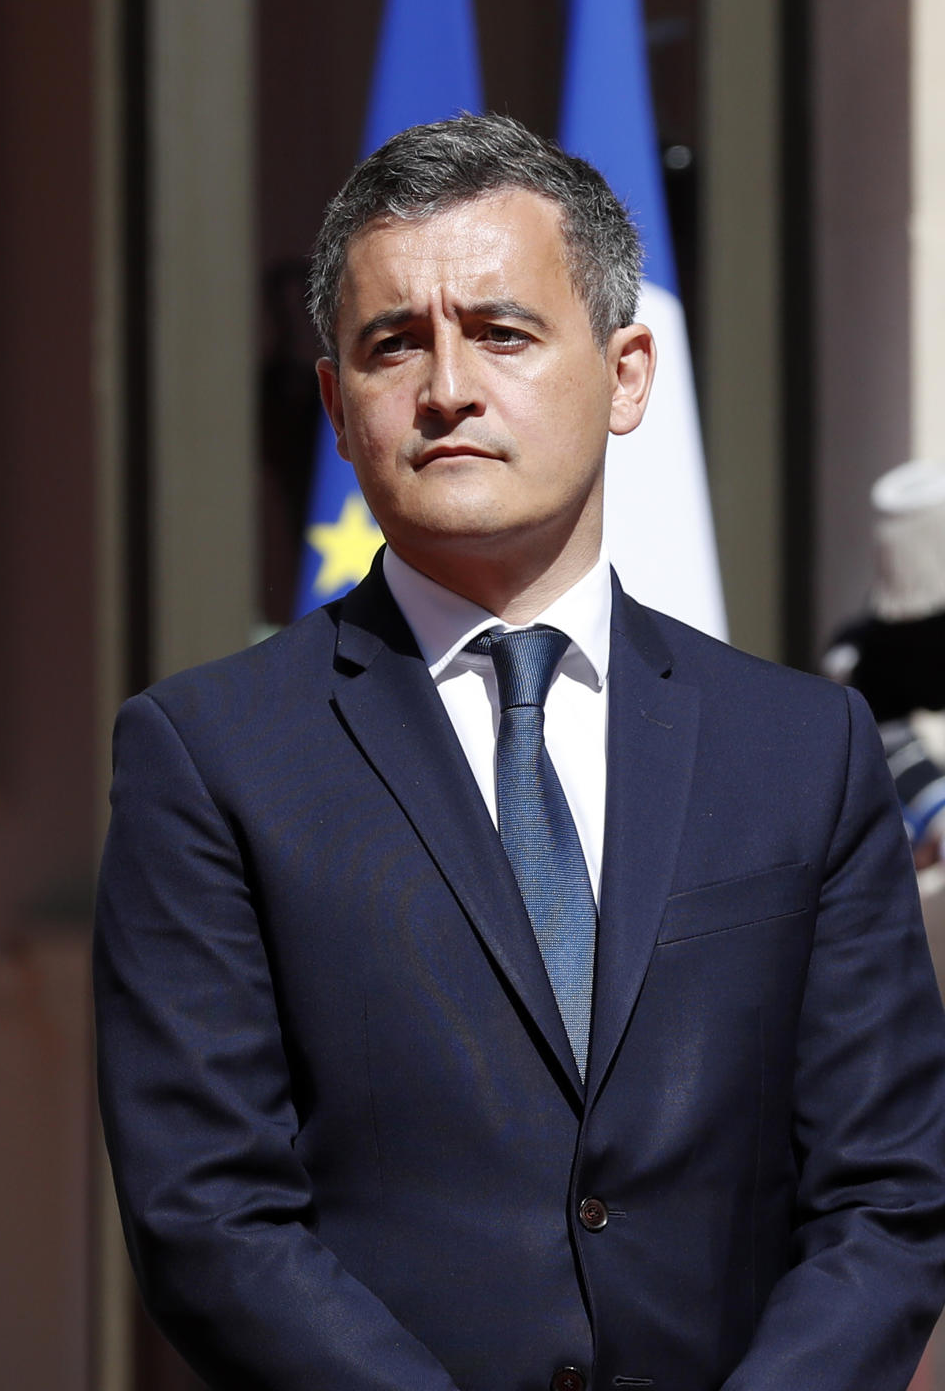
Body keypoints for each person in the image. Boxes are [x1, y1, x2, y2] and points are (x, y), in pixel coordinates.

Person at [95, 114, 945, 1391]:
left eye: (502, 332)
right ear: (336, 404)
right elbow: (210, 1220)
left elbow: (888, 1197)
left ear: (627, 373)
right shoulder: (207, 756)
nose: (446, 387)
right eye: (393, 346)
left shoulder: (801, 747)